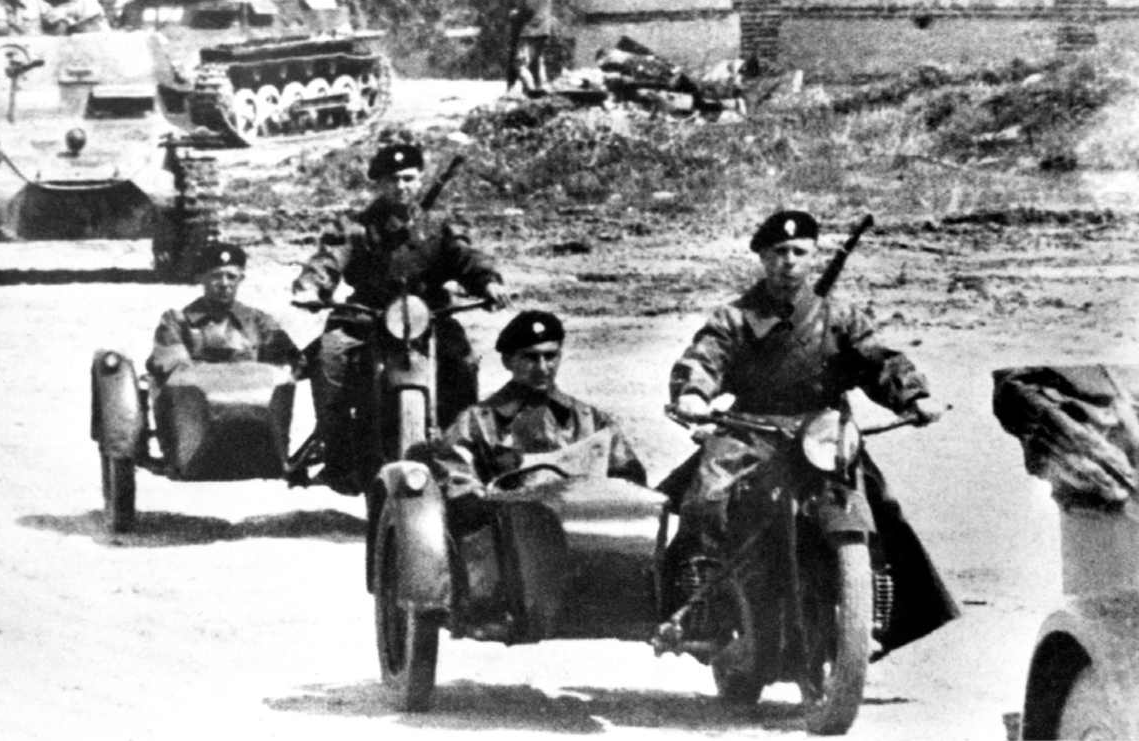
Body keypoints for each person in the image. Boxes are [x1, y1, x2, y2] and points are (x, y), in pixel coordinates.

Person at [666, 210, 958, 653]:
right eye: (779, 252)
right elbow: (705, 358)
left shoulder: (839, 317)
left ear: (814, 257)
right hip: (751, 430)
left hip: (822, 432)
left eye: (799, 252)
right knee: (707, 497)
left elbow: (878, 360)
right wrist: (693, 394)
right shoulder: (734, 317)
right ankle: (706, 610)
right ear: (763, 258)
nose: (788, 261)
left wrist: (913, 397)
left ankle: (879, 615)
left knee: (884, 506)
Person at [291, 137, 509, 492]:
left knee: (463, 363)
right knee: (330, 357)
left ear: (420, 178)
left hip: (429, 316)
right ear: (377, 184)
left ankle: (464, 452)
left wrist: (488, 283)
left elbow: (467, 256)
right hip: (366, 316)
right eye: (392, 179)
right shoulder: (356, 226)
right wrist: (311, 287)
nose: (401, 186)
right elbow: (328, 260)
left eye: (408, 178)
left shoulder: (438, 226)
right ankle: (337, 451)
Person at [437, 310, 647, 496]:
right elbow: (454, 481)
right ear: (508, 361)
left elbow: (630, 482)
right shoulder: (477, 422)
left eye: (550, 356)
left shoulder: (590, 420)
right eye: (531, 358)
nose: (542, 368)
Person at [147, 243, 299, 383]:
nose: (224, 283)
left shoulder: (259, 321)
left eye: (231, 277)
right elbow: (173, 369)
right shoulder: (177, 322)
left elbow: (290, 363)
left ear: (241, 279)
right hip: (197, 408)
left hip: (252, 405)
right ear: (201, 278)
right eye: (215, 276)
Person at [508, 0, 553, 96]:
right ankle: (543, 90)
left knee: (519, 63)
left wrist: (516, 14)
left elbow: (529, 7)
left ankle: (532, 92)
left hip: (532, 29)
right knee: (536, 62)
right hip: (542, 28)